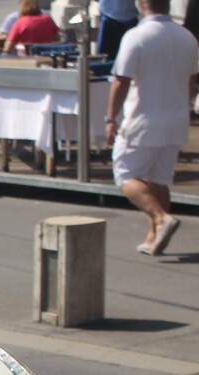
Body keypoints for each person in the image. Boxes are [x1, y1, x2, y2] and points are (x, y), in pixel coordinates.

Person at [105, 0, 199, 256]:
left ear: (142, 4)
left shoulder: (136, 36)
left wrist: (110, 118)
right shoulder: (187, 37)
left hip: (143, 118)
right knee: (159, 179)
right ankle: (154, 236)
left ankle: (160, 218)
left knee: (125, 175)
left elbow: (121, 80)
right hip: (175, 119)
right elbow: (192, 80)